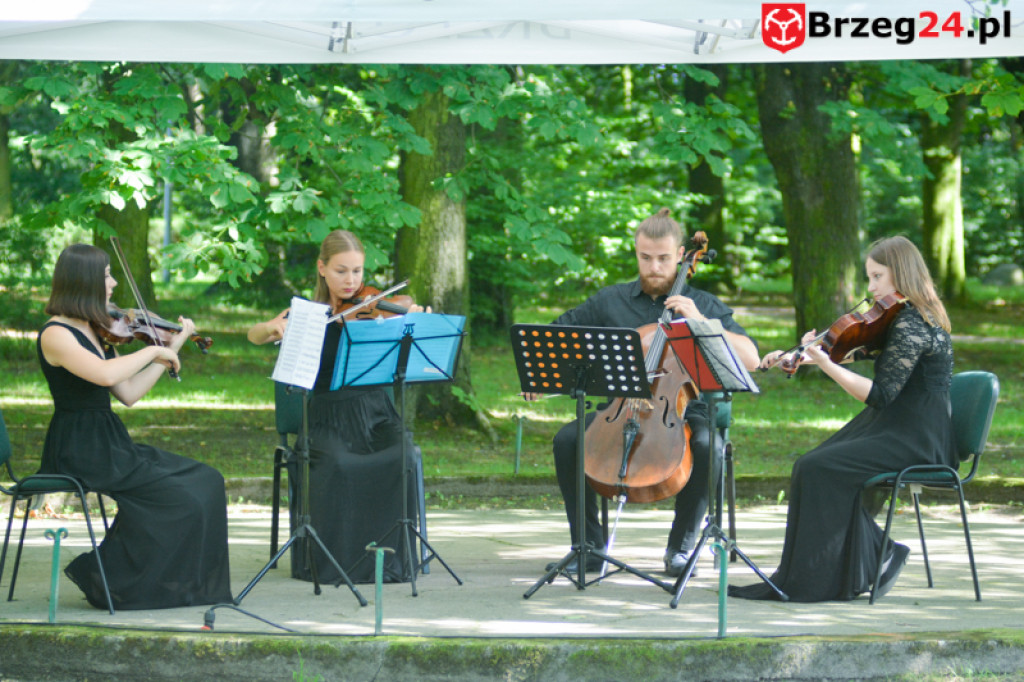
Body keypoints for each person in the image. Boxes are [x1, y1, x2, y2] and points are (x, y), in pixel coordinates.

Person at [527, 208, 761, 576]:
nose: (654, 267)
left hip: (683, 411)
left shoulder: (702, 304)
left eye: (665, 258)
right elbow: (559, 337)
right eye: (645, 257)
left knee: (708, 447)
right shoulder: (610, 301)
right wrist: (544, 377)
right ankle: (588, 546)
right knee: (567, 440)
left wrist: (699, 320)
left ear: (682, 253)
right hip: (618, 409)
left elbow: (750, 357)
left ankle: (681, 549)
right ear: (636, 252)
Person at [730, 235, 956, 602]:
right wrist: (800, 355)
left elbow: (880, 395)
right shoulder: (905, 317)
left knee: (818, 467)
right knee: (811, 466)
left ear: (900, 273)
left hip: (917, 438)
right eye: (870, 277)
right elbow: (857, 351)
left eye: (877, 276)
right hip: (899, 426)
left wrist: (825, 365)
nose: (871, 287)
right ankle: (864, 558)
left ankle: (860, 560)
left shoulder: (913, 324)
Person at [36, 243, 232, 610]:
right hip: (79, 447)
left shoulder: (98, 329)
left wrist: (171, 349)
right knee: (179, 499)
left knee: (206, 479)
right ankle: (111, 578)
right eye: (106, 275)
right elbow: (104, 373)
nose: (111, 283)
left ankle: (176, 584)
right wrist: (153, 351)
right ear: (84, 281)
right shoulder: (56, 334)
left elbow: (127, 393)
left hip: (109, 441)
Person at [248, 229, 424, 584]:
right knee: (337, 462)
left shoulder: (375, 310)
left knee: (402, 453)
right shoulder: (308, 314)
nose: (351, 280)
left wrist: (415, 320)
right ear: (322, 269)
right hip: (328, 414)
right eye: (341, 270)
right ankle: (335, 559)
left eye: (357, 271)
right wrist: (270, 327)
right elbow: (254, 335)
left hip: (376, 413)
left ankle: (391, 561)